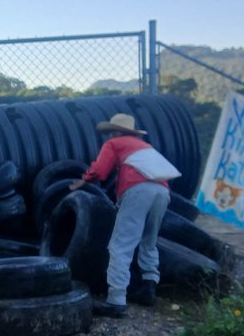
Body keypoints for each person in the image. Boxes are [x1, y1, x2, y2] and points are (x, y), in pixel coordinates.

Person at [69, 112, 171, 318]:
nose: (108, 137)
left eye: (109, 133)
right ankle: (149, 289)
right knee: (149, 241)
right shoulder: (146, 147)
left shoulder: (114, 144)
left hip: (138, 191)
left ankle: (116, 301)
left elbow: (100, 171)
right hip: (162, 191)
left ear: (114, 132)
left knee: (120, 245)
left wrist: (83, 180)